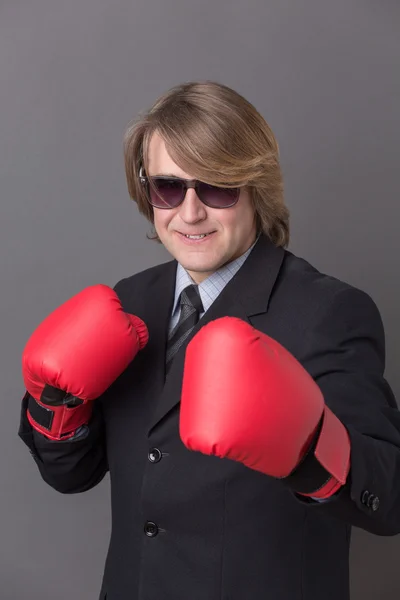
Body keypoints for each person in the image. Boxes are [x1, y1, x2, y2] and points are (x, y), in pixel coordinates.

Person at [18, 80, 400, 600]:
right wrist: (55, 407)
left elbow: (391, 500)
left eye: (217, 187)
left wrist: (313, 449)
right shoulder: (130, 303)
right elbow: (71, 476)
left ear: (256, 186)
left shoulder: (327, 313)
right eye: (168, 187)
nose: (190, 212)